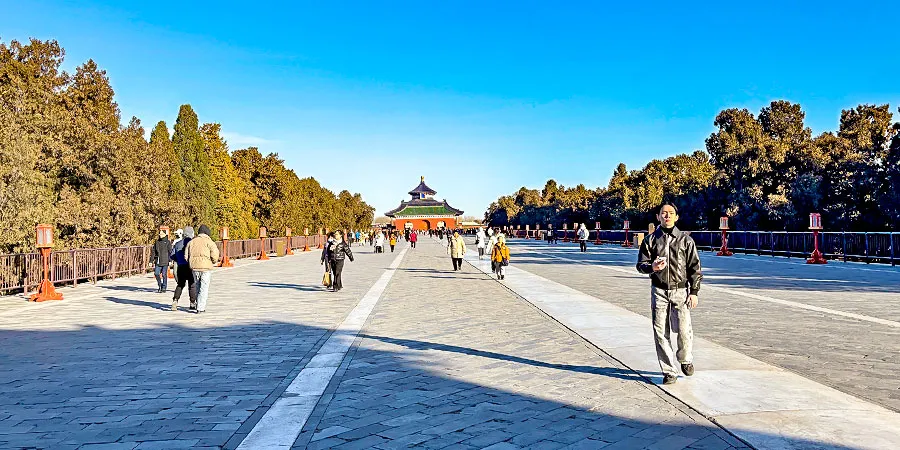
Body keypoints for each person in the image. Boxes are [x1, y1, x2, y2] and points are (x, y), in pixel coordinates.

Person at [636, 202, 703, 385]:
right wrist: (652, 267)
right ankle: (668, 371)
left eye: (670, 213)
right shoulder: (650, 240)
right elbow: (640, 265)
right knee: (660, 331)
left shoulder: (685, 240)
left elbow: (694, 268)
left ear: (676, 217)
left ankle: (685, 358)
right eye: (663, 213)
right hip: (659, 290)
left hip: (680, 291)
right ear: (658, 216)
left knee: (683, 329)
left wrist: (694, 291)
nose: (667, 216)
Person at [185, 224, 220, 314]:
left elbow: (186, 256)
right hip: (206, 267)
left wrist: (191, 261)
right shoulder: (210, 242)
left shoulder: (192, 242)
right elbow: (215, 254)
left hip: (195, 267)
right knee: (204, 287)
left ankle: (197, 304)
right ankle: (200, 307)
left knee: (197, 286)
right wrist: (213, 261)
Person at [170, 226, 196, 311]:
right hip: (190, 266)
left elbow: (172, 255)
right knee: (192, 284)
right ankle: (192, 303)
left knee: (180, 284)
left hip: (181, 266)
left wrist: (179, 259)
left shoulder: (178, 244)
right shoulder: (193, 243)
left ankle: (175, 300)